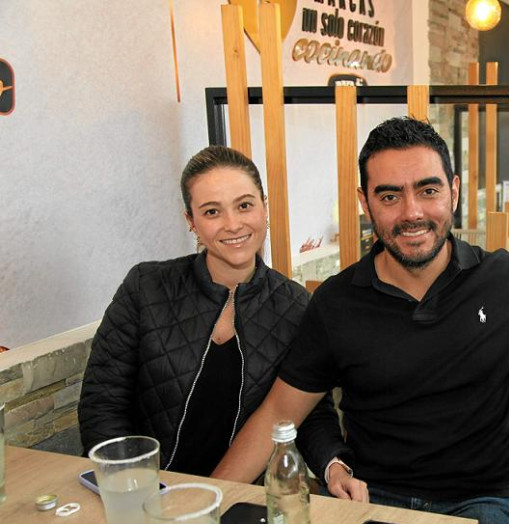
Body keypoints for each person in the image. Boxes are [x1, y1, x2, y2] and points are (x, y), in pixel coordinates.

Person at [211, 117, 509, 524]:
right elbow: (281, 412)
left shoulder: (504, 279)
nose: (412, 212)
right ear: (364, 202)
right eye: (390, 196)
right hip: (376, 505)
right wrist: (200, 507)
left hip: (482, 506)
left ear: (454, 192)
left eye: (428, 190)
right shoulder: (337, 302)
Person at [79, 145, 333, 476]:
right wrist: (130, 483)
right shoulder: (146, 287)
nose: (232, 224)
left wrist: (333, 464)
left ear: (264, 207)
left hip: (241, 499)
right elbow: (103, 402)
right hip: (146, 491)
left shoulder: (295, 306)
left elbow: (309, 412)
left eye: (244, 205)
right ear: (191, 221)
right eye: (212, 212)